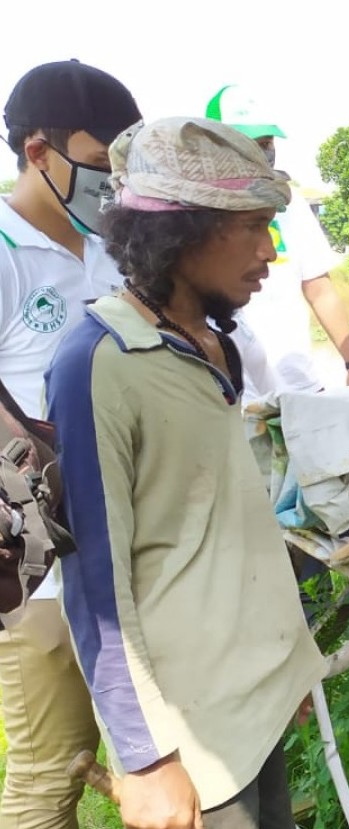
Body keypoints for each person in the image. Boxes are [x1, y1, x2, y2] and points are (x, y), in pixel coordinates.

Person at [45, 116, 325, 829]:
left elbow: (223, 519)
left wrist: (283, 653)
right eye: (254, 225)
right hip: (191, 728)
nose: (270, 251)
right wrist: (144, 759)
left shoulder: (213, 343)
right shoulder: (98, 363)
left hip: (250, 694)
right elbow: (95, 582)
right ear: (185, 230)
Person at [0, 59, 141, 829]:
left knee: (154, 756)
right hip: (44, 570)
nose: (110, 183)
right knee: (52, 768)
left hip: (132, 549)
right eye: (96, 164)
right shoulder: (5, 256)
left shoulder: (114, 250)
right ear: (38, 153)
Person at [205, 84, 349, 399]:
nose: (261, 151)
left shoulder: (290, 202)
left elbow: (319, 288)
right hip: (231, 394)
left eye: (266, 142)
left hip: (299, 386)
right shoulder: (195, 212)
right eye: (248, 143)